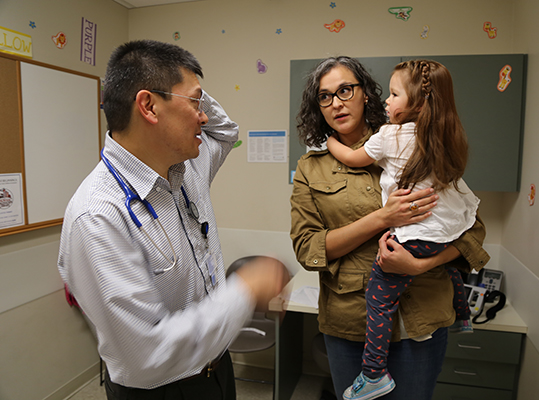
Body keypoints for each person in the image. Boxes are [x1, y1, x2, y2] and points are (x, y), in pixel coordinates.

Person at [57, 40, 289, 400]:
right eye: (195, 103)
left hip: (216, 368)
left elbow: (227, 131)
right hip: (161, 389)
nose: (204, 115)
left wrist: (181, 82)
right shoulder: (98, 215)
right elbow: (147, 355)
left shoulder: (188, 167)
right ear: (148, 106)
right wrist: (245, 290)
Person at [290, 56, 490, 400]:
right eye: (324, 96)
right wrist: (382, 218)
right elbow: (309, 249)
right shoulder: (311, 168)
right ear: (317, 107)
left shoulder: (414, 141)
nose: (336, 102)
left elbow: (470, 229)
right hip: (351, 322)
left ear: (365, 94)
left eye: (345, 90)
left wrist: (421, 264)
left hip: (421, 317)